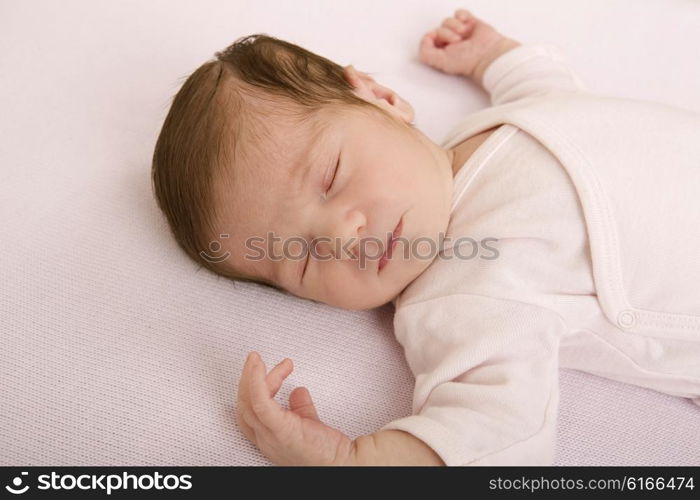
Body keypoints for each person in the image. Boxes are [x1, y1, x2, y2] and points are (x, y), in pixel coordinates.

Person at [151, 9, 700, 466]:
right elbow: (496, 434)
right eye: (304, 257)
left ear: (381, 97)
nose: (344, 235)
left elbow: (553, 92)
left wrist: (496, 56)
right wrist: (348, 462)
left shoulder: (502, 122)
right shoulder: (463, 297)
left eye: (331, 177)